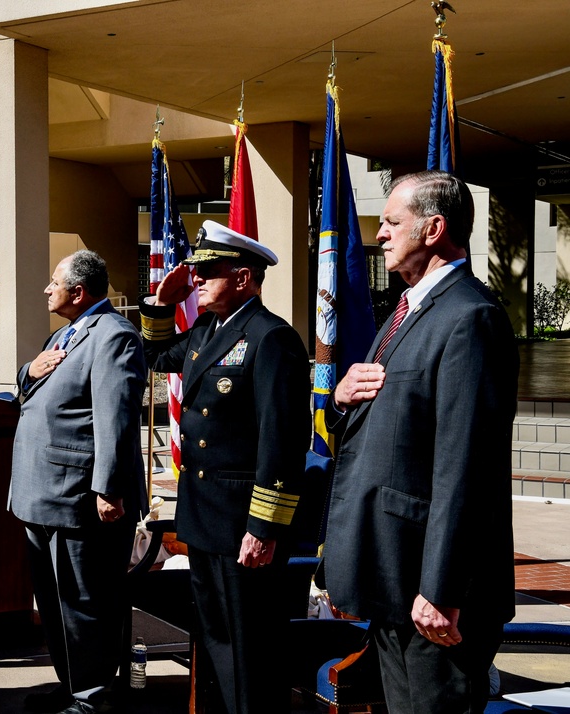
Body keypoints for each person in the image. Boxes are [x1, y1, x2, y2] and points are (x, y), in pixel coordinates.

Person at [321, 171, 519, 713]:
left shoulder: (470, 318)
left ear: (433, 228)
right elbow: (379, 430)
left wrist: (442, 588)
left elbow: (465, 466)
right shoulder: (405, 312)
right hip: (394, 576)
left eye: (390, 222)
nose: (380, 235)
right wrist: (341, 401)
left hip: (436, 595)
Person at [140, 220, 310, 714]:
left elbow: (283, 441)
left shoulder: (270, 337)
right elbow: (154, 355)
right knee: (215, 643)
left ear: (243, 277)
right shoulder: (206, 331)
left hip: (242, 526)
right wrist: (160, 301)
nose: (198, 279)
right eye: (197, 270)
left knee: (248, 650)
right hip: (204, 516)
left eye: (208, 271)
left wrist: (264, 527)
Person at [8, 250, 147, 714]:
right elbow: (30, 389)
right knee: (53, 600)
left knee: (84, 601)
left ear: (79, 291)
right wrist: (29, 369)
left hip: (78, 495)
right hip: (41, 491)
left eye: (54, 282)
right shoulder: (65, 333)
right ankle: (71, 684)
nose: (47, 289)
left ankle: (93, 696)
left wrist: (109, 488)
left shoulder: (113, 336)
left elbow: (116, 418)